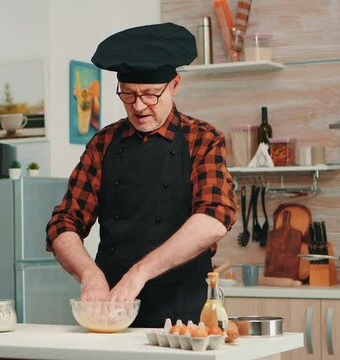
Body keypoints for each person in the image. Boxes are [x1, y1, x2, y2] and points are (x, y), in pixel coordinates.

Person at [46, 22, 237, 328]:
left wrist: (138, 274)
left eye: (149, 95)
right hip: (111, 313)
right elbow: (63, 223)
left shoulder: (202, 139)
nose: (138, 106)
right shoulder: (103, 143)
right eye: (128, 94)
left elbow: (214, 218)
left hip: (182, 318)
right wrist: (89, 273)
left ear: (174, 85)